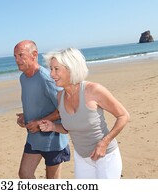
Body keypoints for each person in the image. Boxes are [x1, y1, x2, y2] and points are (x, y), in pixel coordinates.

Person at [39, 48, 130, 179]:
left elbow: (123, 116)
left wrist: (104, 142)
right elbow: (70, 128)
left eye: (56, 69)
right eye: (51, 69)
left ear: (71, 68)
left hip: (106, 157)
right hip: (81, 158)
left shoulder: (93, 90)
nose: (51, 74)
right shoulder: (60, 96)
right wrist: (53, 127)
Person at [14, 40, 70, 179]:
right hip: (34, 139)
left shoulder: (46, 78)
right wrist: (25, 116)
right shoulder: (23, 78)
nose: (17, 60)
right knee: (25, 174)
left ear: (34, 55)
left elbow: (64, 108)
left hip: (53, 140)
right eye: (15, 56)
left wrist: (39, 122)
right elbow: (38, 102)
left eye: (21, 55)